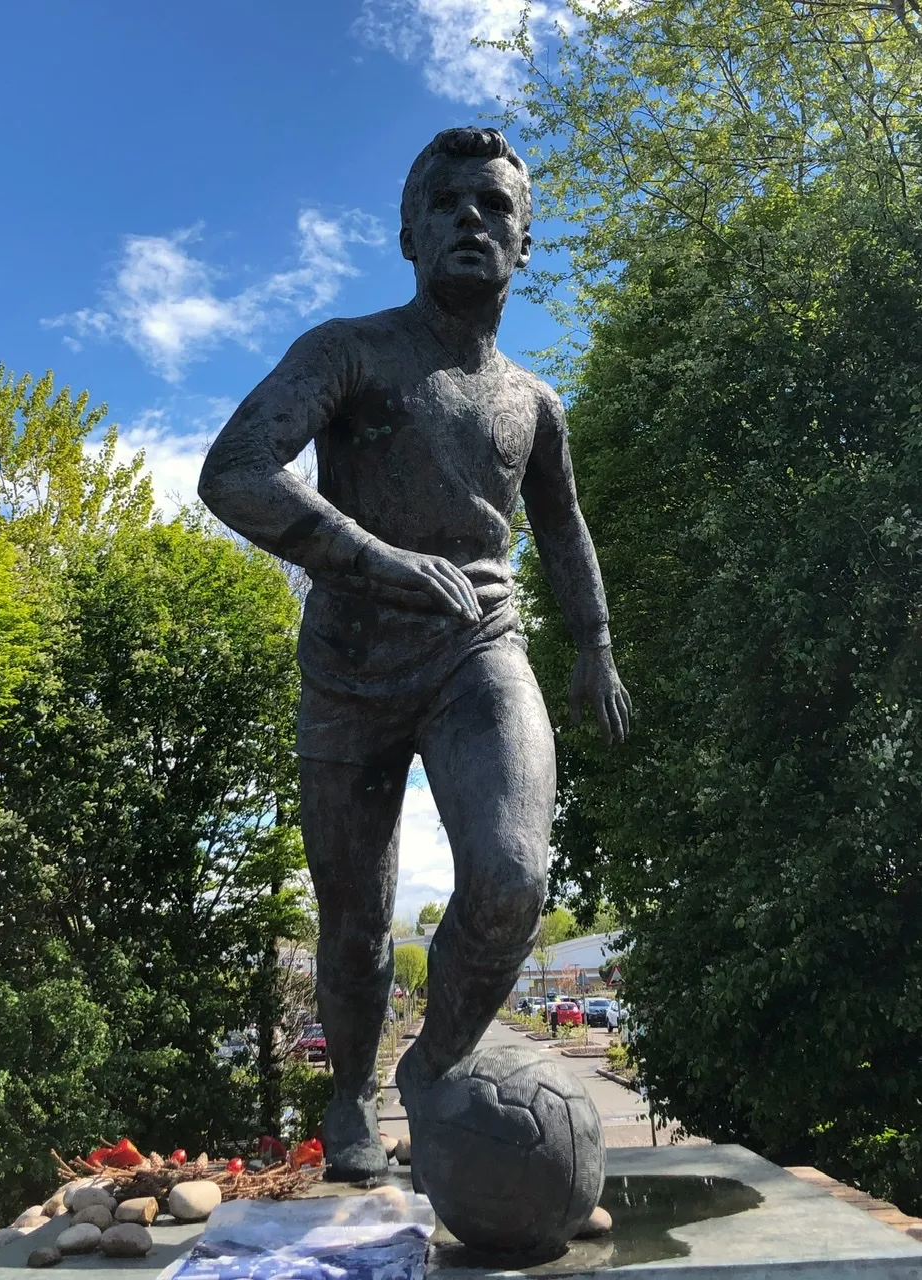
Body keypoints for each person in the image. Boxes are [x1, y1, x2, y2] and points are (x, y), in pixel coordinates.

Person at [198, 126, 631, 1180]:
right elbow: (236, 469)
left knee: (513, 875)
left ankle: (431, 1066)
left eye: (493, 205)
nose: (469, 221)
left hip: (478, 645)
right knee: (352, 920)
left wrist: (595, 643)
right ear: (408, 234)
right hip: (348, 665)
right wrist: (379, 561)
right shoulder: (347, 350)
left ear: (526, 241)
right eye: (445, 205)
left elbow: (563, 527)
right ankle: (346, 1098)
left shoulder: (534, 402)